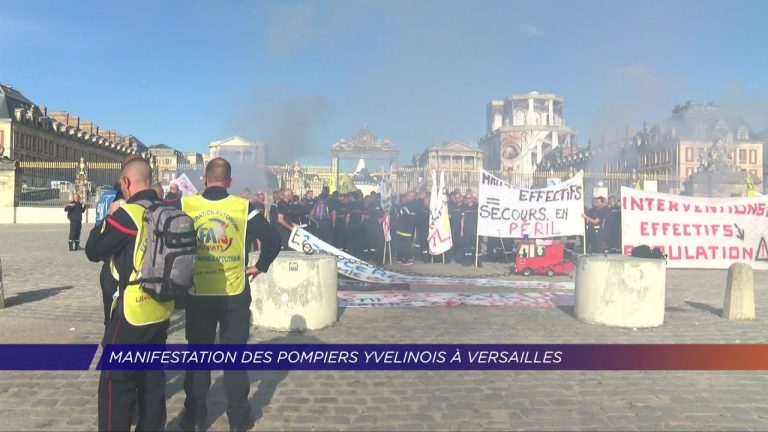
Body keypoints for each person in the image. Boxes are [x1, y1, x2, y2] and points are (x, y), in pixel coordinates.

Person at [180, 158, 281, 432]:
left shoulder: (186, 205)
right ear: (231, 182)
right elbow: (273, 239)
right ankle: (238, 418)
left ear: (203, 179)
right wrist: (259, 266)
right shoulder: (243, 207)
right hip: (235, 293)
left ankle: (194, 416)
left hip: (198, 292)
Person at [85, 158, 173, 431]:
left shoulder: (130, 214)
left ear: (126, 182)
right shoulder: (168, 212)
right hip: (162, 308)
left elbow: (94, 250)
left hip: (133, 310)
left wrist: (109, 216)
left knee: (116, 381)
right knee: (151, 378)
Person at [395, 191, 421, 265]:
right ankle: (405, 259)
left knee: (402, 244)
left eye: (413, 195)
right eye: (410, 195)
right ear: (406, 196)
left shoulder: (403, 205)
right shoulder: (408, 205)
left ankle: (399, 258)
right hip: (406, 228)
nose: (412, 197)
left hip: (403, 228)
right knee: (406, 245)